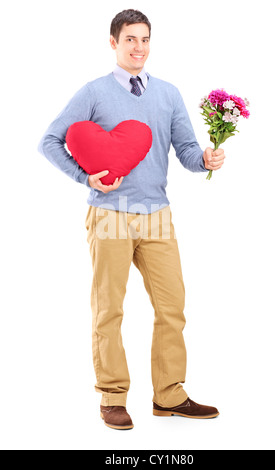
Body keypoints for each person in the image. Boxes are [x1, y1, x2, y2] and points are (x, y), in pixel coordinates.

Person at [38, 9, 226, 431]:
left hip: (156, 213)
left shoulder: (169, 93)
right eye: (130, 39)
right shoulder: (94, 92)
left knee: (172, 305)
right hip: (109, 216)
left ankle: (170, 395)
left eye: (144, 39)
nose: (138, 47)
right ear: (113, 43)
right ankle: (112, 396)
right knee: (110, 309)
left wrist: (206, 159)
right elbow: (49, 141)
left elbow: (188, 151)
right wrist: (84, 176)